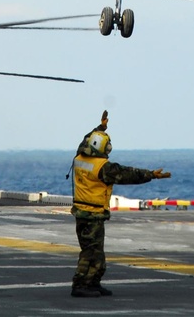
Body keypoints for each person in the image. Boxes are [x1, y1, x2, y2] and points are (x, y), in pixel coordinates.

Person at [69, 110, 170, 298]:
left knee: (96, 251)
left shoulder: (79, 158)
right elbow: (128, 174)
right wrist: (151, 175)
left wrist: (100, 128)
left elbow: (85, 140)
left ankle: (93, 283)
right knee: (90, 252)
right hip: (93, 214)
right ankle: (80, 285)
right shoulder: (103, 168)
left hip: (82, 212)